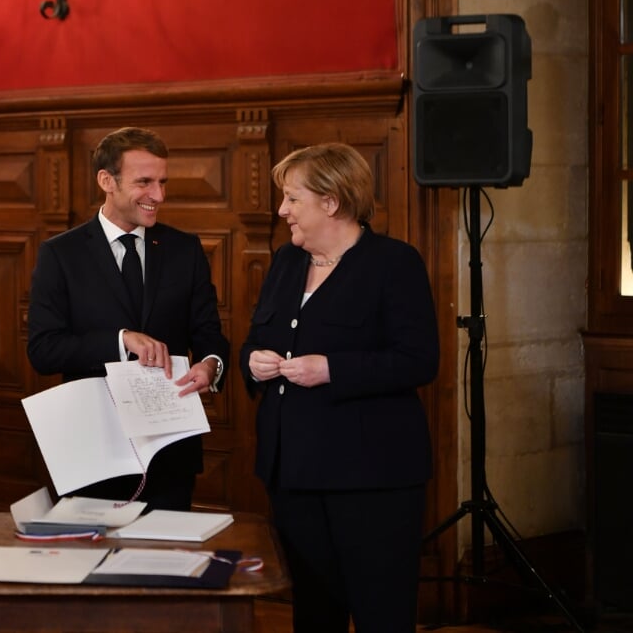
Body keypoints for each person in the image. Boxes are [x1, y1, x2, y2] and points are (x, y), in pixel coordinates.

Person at [240, 142, 439, 632]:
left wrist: (332, 369)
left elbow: (418, 360)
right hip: (294, 474)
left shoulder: (395, 263)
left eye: (292, 198)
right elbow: (256, 339)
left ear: (330, 202)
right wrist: (253, 361)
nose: (282, 210)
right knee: (313, 612)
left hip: (371, 477)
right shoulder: (287, 261)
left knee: (381, 613)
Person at [27, 126, 230, 511]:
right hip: (93, 451)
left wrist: (211, 365)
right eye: (145, 182)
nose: (159, 195)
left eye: (162, 182)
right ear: (107, 181)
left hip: (170, 453)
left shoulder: (185, 250)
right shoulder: (60, 255)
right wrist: (121, 340)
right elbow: (43, 350)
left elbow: (209, 332)